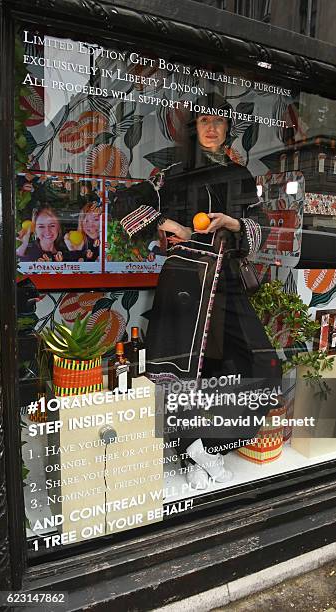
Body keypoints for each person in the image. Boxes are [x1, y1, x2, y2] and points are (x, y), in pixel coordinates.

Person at [116, 94, 282, 489]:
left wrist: (235, 223)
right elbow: (126, 201)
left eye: (219, 122)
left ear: (227, 129)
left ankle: (207, 447)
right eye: (204, 120)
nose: (211, 128)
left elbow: (261, 221)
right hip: (185, 282)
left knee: (259, 365)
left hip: (226, 281)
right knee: (188, 372)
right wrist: (171, 226)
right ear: (194, 128)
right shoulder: (172, 173)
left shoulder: (240, 176)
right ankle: (194, 453)